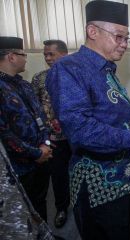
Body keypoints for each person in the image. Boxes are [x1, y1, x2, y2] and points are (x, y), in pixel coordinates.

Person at [45, 1, 130, 240]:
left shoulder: (105, 68)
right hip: (100, 185)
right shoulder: (69, 68)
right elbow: (80, 129)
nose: (124, 45)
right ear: (92, 31)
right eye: (118, 37)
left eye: (127, 38)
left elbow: (110, 115)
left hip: (124, 178)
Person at [0, 36, 52, 222]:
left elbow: (41, 116)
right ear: (11, 57)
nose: (26, 58)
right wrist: (35, 153)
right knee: (23, 210)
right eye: (23, 54)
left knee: (40, 201)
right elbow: (5, 134)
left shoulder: (23, 84)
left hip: (43, 154)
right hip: (19, 165)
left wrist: (44, 145)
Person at [31, 40, 70, 228]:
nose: (47, 58)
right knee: (58, 175)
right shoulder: (39, 78)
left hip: (78, 135)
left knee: (83, 171)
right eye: (45, 55)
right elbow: (34, 109)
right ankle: (62, 208)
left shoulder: (76, 75)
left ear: (64, 54)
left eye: (51, 54)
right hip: (54, 139)